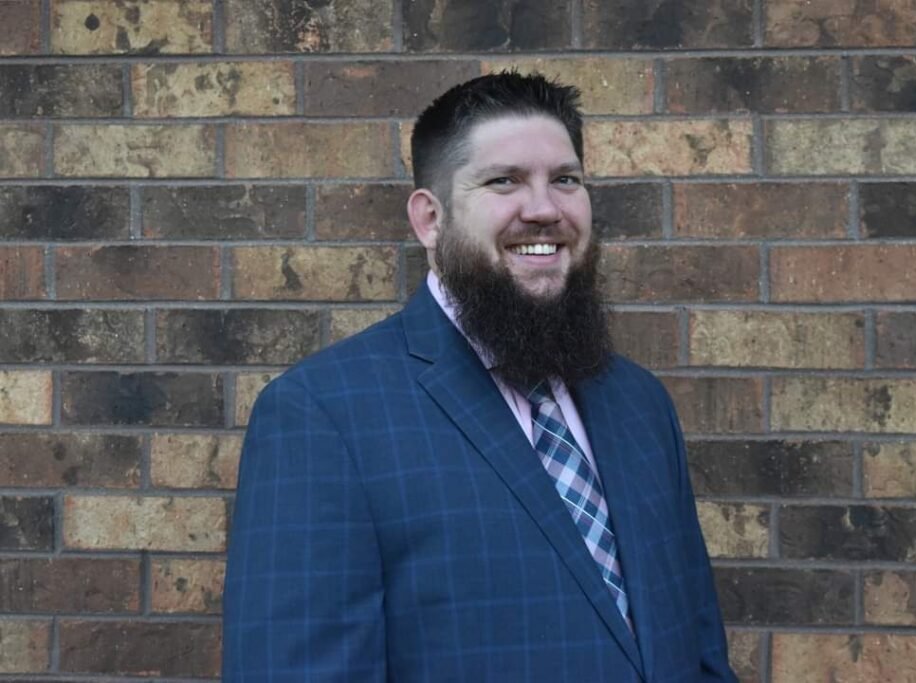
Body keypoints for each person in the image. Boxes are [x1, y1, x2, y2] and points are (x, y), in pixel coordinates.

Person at [223, 72, 736, 682]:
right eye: (504, 181)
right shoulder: (323, 415)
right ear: (429, 219)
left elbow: (699, 648)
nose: (545, 209)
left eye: (565, 180)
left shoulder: (638, 402)